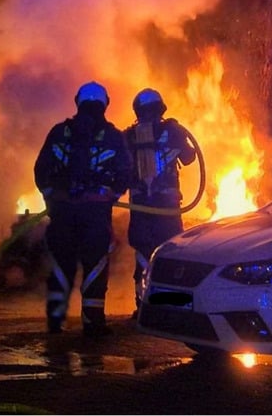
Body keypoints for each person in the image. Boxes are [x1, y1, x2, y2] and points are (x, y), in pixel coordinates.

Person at [33, 81, 133, 337]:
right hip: (95, 214)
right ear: (104, 104)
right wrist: (108, 195)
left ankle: (55, 322)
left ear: (78, 102)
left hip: (62, 212)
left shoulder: (59, 132)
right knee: (95, 266)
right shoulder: (112, 136)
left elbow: (41, 170)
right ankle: (92, 323)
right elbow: (125, 173)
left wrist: (52, 198)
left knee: (61, 266)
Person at [124, 88, 199, 316]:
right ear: (161, 108)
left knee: (143, 252)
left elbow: (118, 167)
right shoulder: (173, 131)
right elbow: (188, 158)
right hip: (167, 206)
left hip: (139, 206)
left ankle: (143, 306)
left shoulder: (128, 135)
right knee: (169, 251)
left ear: (137, 110)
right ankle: (169, 307)